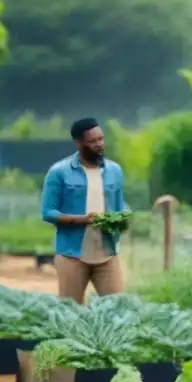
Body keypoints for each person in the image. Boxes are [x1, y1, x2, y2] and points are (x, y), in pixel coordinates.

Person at [40, 117, 127, 303]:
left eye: (101, 139)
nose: (99, 144)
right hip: (72, 256)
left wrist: (122, 219)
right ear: (78, 143)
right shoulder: (59, 172)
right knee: (70, 313)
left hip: (107, 253)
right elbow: (48, 212)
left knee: (118, 309)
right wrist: (83, 220)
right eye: (93, 141)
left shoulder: (115, 171)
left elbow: (120, 207)